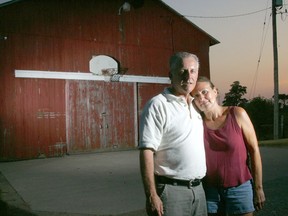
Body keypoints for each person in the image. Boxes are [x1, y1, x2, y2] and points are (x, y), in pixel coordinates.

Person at [138, 52, 207, 216]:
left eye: (192, 71)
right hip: (172, 192)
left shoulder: (197, 105)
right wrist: (152, 195)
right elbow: (146, 151)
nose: (188, 76)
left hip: (199, 191)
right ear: (171, 75)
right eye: (182, 71)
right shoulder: (158, 105)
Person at [191, 76, 266, 216]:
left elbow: (254, 151)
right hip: (210, 191)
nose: (202, 97)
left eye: (205, 92)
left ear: (215, 91)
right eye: (196, 95)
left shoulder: (237, 114)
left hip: (239, 187)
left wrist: (258, 188)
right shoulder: (196, 123)